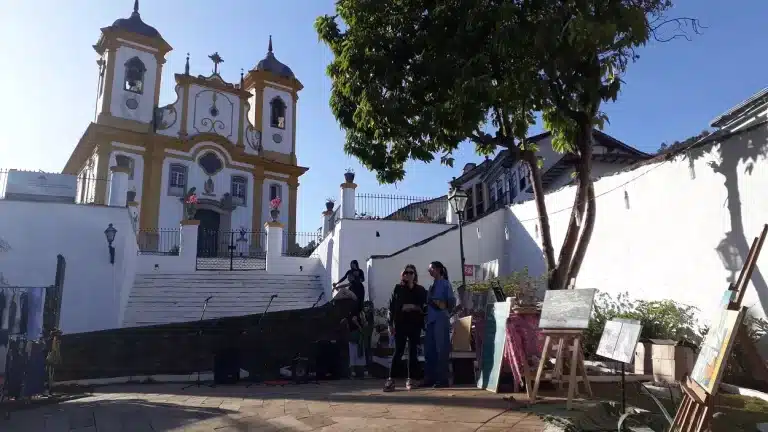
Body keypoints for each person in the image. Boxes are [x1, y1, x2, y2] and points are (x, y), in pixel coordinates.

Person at [383, 264, 427, 392]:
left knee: (413, 352)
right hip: (400, 324)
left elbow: (424, 307)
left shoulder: (420, 290)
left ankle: (411, 379)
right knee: (398, 352)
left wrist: (411, 307)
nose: (408, 275)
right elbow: (391, 307)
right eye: (406, 272)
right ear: (403, 275)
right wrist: (389, 324)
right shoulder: (398, 289)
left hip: (414, 324)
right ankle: (391, 380)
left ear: (415, 275)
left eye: (411, 272)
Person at [423, 261, 456, 388]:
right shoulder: (432, 286)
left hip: (441, 319)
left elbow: (451, 303)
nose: (429, 271)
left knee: (441, 349)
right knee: (430, 350)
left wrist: (440, 304)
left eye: (431, 269)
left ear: (438, 269)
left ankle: (442, 379)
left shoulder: (445, 284)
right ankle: (430, 378)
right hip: (431, 320)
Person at [342, 309, 367, 379]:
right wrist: (359, 326)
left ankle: (356, 371)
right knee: (355, 353)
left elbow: (364, 324)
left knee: (355, 353)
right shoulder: (355, 313)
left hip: (355, 335)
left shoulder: (358, 313)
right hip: (355, 335)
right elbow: (354, 320)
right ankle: (355, 371)